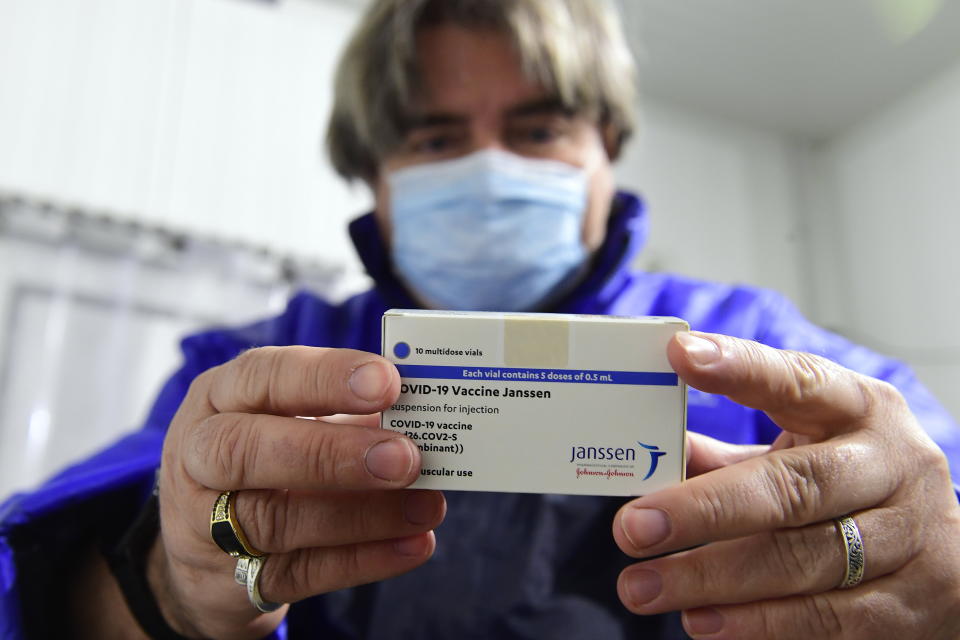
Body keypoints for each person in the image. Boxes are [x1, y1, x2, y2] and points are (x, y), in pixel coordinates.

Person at [2, 0, 959, 638]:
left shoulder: (756, 354)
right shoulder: (254, 368)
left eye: (539, 129)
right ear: (374, 175)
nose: (492, 170)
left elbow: (927, 483)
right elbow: (38, 579)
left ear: (607, 150)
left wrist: (938, 567)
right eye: (436, 138)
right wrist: (167, 589)